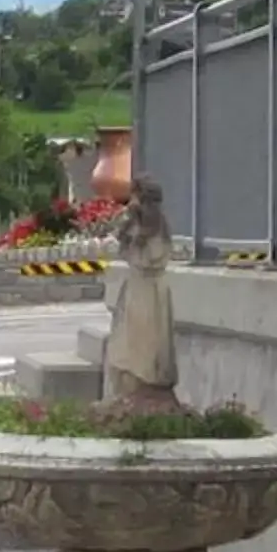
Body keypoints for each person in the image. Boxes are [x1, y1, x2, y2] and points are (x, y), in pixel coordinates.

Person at [101, 174, 180, 410]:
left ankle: (146, 384)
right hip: (135, 288)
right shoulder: (134, 224)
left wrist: (134, 240)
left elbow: (150, 259)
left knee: (147, 341)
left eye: (134, 196)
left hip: (149, 290)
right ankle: (128, 386)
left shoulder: (154, 229)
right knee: (126, 341)